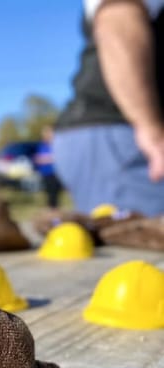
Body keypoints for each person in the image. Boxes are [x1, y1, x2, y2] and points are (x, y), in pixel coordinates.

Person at [54, 0, 164, 215]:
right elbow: (118, 19)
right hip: (124, 136)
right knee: (138, 243)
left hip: (126, 135)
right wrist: (152, 130)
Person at [34, 125, 63, 208]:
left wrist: (48, 159)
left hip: (57, 173)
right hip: (47, 174)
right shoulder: (42, 146)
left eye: (50, 133)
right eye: (46, 133)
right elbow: (38, 158)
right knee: (51, 197)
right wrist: (49, 158)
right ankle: (53, 215)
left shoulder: (56, 144)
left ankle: (56, 214)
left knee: (56, 196)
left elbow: (58, 157)